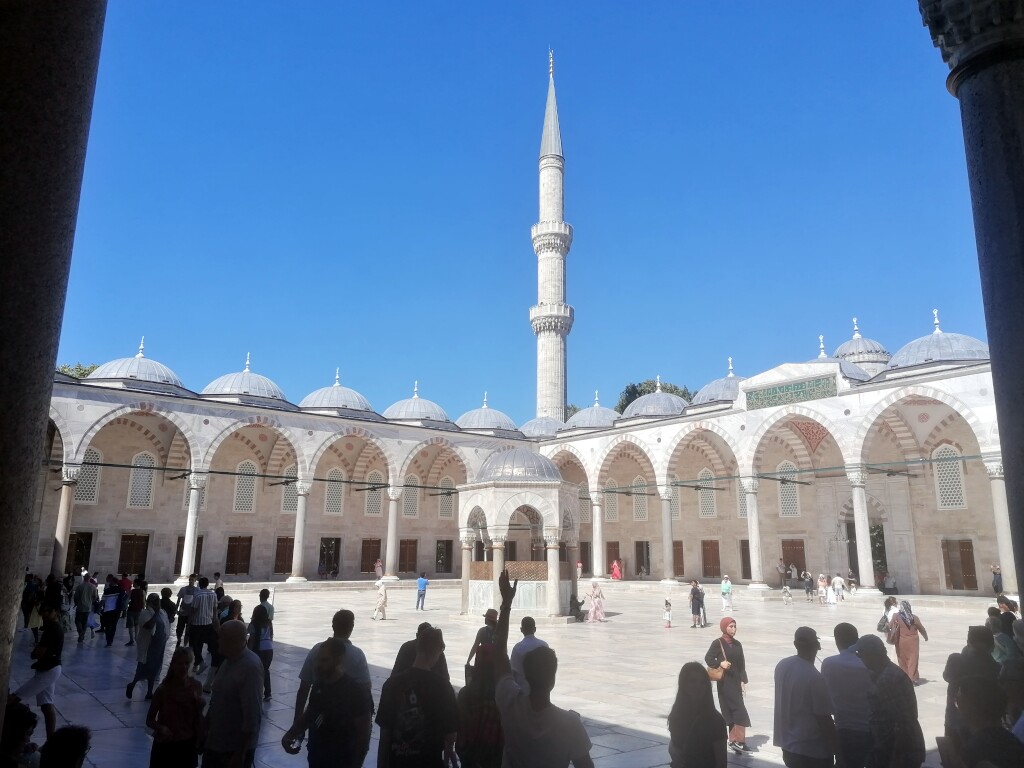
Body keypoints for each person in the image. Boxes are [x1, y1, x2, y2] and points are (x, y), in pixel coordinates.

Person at [492, 569, 594, 768]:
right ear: (553, 680)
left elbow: (498, 652)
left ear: (525, 673)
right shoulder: (569, 724)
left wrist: (506, 603)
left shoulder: (510, 703)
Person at [282, 638, 373, 768]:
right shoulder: (319, 685)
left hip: (342, 761)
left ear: (339, 660)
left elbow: (363, 736)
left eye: (324, 660)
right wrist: (291, 735)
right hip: (317, 758)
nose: (318, 665)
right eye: (317, 660)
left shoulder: (356, 692)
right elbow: (310, 714)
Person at [376, 625, 458, 768]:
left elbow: (385, 735)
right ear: (437, 651)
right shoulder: (444, 687)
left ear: (417, 647)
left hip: (398, 762)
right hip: (429, 762)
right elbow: (450, 736)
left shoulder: (391, 684)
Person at [854, 634, 926, 768]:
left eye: (860, 654)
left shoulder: (887, 679)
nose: (859, 658)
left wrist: (893, 757)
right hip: (893, 747)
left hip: (894, 749)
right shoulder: (885, 672)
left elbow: (900, 721)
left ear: (871, 655)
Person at [293, 609, 372, 730]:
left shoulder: (317, 649)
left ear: (333, 626)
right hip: (346, 720)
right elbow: (366, 688)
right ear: (352, 627)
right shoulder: (358, 654)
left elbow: (304, 688)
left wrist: (297, 721)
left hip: (318, 714)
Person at [202, 620, 264, 768]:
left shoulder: (250, 667)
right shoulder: (229, 660)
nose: (218, 641)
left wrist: (240, 753)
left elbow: (252, 715)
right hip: (217, 742)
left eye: (221, 637)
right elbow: (218, 698)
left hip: (232, 749)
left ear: (233, 640)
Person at [773, 626, 837, 768]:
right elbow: (824, 718)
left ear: (795, 644)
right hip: (813, 752)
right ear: (817, 646)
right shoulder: (814, 677)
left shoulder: (782, 666)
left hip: (789, 748)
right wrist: (837, 749)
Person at [820, 623, 872, 768]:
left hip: (843, 728)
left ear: (837, 641)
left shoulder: (829, 663)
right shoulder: (867, 664)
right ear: (857, 640)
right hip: (868, 728)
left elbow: (825, 695)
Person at [942, 625, 1000, 753]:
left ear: (968, 643)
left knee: (955, 754)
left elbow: (947, 676)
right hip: (985, 722)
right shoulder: (996, 667)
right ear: (992, 646)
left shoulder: (955, 660)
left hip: (955, 718)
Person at [11, 601, 63, 739]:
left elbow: (38, 653)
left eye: (48, 611)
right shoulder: (53, 627)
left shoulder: (52, 629)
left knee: (14, 698)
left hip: (48, 671)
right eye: (43, 612)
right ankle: (51, 740)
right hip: (50, 669)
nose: (44, 614)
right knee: (46, 705)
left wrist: (35, 652)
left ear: (55, 612)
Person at [147, 647, 204, 768]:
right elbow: (150, 720)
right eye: (180, 663)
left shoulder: (196, 687)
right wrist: (161, 728)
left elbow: (197, 718)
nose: (184, 667)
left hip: (187, 744)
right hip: (166, 744)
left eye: (187, 663)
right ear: (173, 665)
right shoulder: (163, 690)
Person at [953, 674, 1024, 768]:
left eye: (958, 702)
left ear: (972, 709)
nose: (957, 709)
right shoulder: (1014, 742)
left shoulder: (973, 751)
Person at [705, 617, 753, 753]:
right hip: (725, 682)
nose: (733, 629)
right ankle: (739, 741)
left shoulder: (738, 644)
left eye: (734, 626)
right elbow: (708, 658)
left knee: (735, 709)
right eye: (730, 626)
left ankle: (733, 740)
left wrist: (743, 680)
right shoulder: (718, 643)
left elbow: (741, 664)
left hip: (735, 682)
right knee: (737, 710)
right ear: (724, 627)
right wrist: (720, 663)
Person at [667, 662, 727, 768]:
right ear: (684, 684)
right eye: (692, 681)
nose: (698, 686)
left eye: (702, 682)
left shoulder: (715, 720)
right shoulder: (677, 714)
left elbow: (721, 762)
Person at [456, 643, 504, 768]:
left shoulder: (465, 693)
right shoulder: (503, 696)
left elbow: (460, 731)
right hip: (495, 759)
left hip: (469, 758)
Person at [127, 593, 170, 700]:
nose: (156, 603)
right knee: (142, 669)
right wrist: (155, 614)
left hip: (158, 646)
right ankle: (132, 685)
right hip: (148, 646)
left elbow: (166, 625)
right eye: (154, 601)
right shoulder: (145, 613)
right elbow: (149, 625)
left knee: (154, 669)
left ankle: (149, 692)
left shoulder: (162, 612)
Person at [888, 599, 929, 683]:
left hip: (901, 642)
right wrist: (925, 637)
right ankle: (913, 678)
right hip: (913, 642)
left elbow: (889, 626)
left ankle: (905, 677)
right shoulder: (914, 618)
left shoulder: (896, 616)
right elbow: (921, 628)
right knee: (913, 660)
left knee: (902, 659)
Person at [510, 617, 548, 695]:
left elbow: (513, 671)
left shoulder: (518, 648)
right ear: (535, 629)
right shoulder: (544, 645)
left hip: (524, 691)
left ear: (521, 630)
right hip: (542, 691)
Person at [188, 576, 219, 674]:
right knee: (201, 643)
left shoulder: (197, 595)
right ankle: (197, 664)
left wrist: (189, 622)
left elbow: (194, 610)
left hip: (197, 623)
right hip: (208, 623)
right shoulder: (213, 594)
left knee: (195, 644)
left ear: (199, 584)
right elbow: (215, 609)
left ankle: (200, 662)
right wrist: (215, 620)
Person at [247, 604, 274, 700]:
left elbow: (252, 638)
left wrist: (249, 651)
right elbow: (271, 635)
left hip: (259, 648)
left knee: (257, 670)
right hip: (269, 648)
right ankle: (268, 693)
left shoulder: (253, 624)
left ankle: (257, 691)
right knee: (266, 670)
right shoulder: (269, 622)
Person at [71, 574, 97, 644]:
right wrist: (91, 602)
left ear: (84, 578)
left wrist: (76, 603)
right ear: (89, 579)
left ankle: (81, 633)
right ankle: (82, 634)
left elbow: (76, 597)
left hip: (80, 607)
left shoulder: (80, 587)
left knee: (78, 621)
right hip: (88, 607)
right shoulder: (93, 587)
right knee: (84, 622)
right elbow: (95, 597)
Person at [100, 573, 124, 647]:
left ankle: (108, 639)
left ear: (112, 582)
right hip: (117, 610)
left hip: (108, 610)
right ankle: (110, 640)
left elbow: (103, 601)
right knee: (113, 626)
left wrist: (98, 608)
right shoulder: (121, 590)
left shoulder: (107, 590)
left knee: (107, 626)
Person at [175, 573, 198, 647]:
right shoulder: (183, 589)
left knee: (188, 629)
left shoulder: (196, 590)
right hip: (183, 611)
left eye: (192, 580)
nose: (190, 581)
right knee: (179, 627)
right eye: (190, 579)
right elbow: (179, 600)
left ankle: (185, 644)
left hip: (191, 612)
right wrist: (176, 609)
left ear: (195, 580)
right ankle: (179, 639)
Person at [125, 577, 146, 646]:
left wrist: (125, 606)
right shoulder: (143, 591)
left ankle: (131, 640)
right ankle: (136, 638)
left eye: (133, 583)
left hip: (131, 609)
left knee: (130, 626)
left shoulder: (131, 591)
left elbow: (128, 599)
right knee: (137, 625)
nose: (132, 584)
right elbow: (143, 602)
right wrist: (143, 609)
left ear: (136, 583)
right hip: (139, 610)